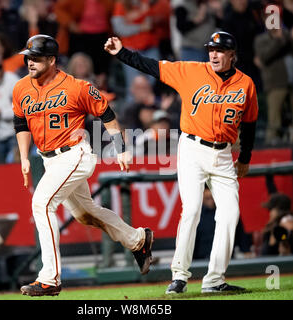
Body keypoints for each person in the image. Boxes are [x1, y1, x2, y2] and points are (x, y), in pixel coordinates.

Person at [105, 31, 259, 294]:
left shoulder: (246, 84)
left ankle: (214, 280)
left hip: (223, 156)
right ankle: (179, 276)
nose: (213, 54)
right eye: (211, 49)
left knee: (230, 214)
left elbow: (250, 123)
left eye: (220, 51)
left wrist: (244, 157)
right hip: (192, 149)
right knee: (191, 210)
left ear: (232, 55)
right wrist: (121, 53)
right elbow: (151, 66)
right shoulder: (192, 71)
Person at [12, 34, 153, 297]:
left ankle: (50, 278)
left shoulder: (77, 87)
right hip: (48, 158)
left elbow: (107, 115)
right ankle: (138, 240)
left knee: (42, 204)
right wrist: (23, 156)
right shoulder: (21, 87)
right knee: (85, 214)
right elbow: (20, 123)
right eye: (28, 57)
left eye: (36, 58)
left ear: (52, 60)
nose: (30, 62)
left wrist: (121, 149)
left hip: (75, 154)